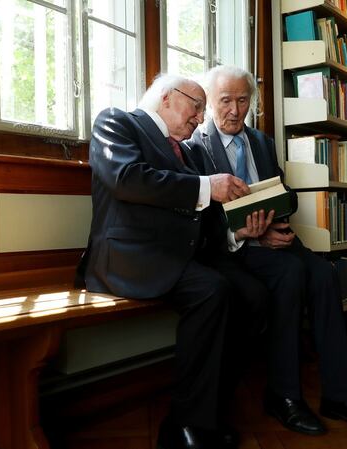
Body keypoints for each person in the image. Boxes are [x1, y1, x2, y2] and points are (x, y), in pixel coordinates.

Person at [185, 66, 347, 436]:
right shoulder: (195, 148)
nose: (234, 110)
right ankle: (284, 396)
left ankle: (340, 396)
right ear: (210, 102)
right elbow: (199, 221)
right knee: (290, 274)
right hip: (234, 248)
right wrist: (248, 233)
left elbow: (287, 195)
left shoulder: (261, 142)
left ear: (252, 101)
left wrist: (276, 215)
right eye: (225, 101)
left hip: (276, 239)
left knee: (326, 274)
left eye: (242, 100)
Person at [78, 73, 272, 449]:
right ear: (166, 97)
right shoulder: (117, 122)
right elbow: (126, 178)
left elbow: (199, 218)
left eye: (203, 111)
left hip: (176, 256)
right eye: (197, 107)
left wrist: (237, 234)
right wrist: (207, 186)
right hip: (126, 258)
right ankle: (186, 425)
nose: (201, 118)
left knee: (255, 297)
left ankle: (210, 412)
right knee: (212, 291)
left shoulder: (191, 151)